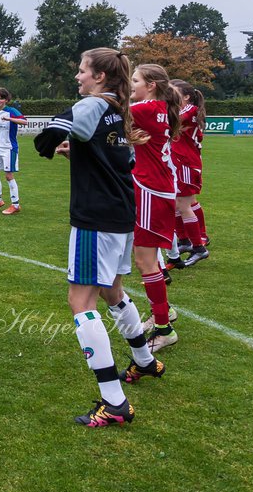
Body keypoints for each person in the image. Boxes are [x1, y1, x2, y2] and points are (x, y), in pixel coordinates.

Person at [34, 48, 163, 428]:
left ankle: (114, 402)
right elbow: (117, 159)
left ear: (100, 76)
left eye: (82, 70)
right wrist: (78, 153)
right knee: (113, 292)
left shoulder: (93, 104)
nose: (78, 76)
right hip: (121, 214)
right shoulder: (119, 110)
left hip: (96, 219)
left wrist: (53, 143)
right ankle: (144, 361)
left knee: (80, 302)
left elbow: (49, 136)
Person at [126, 64, 181, 354]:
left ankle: (164, 329)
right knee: (148, 260)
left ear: (151, 85)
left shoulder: (146, 108)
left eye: (135, 80)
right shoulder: (156, 107)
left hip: (151, 191)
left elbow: (108, 116)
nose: (131, 84)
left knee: (145, 262)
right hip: (156, 188)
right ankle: (164, 312)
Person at [170, 80, 210, 267]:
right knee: (177, 204)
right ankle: (185, 240)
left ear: (186, 96)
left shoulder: (189, 111)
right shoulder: (184, 111)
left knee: (184, 204)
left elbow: (171, 122)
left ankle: (198, 247)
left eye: (173, 92)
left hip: (186, 163)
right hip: (179, 162)